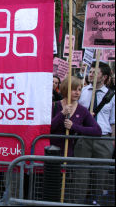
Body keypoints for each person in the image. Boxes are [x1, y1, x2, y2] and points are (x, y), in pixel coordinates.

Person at [75, 61, 115, 205]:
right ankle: (78, 201)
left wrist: (112, 141)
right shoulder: (82, 91)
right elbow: (75, 113)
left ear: (104, 77)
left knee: (100, 174)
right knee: (81, 173)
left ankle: (95, 200)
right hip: (84, 137)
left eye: (94, 72)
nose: (90, 74)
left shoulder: (112, 95)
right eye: (90, 71)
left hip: (103, 139)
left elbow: (113, 121)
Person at [51, 76, 101, 157]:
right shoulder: (54, 106)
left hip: (70, 154)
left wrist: (74, 127)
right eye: (74, 89)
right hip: (51, 152)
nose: (77, 93)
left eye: (79, 90)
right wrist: (62, 114)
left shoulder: (82, 110)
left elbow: (97, 131)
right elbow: (47, 128)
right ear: (66, 89)